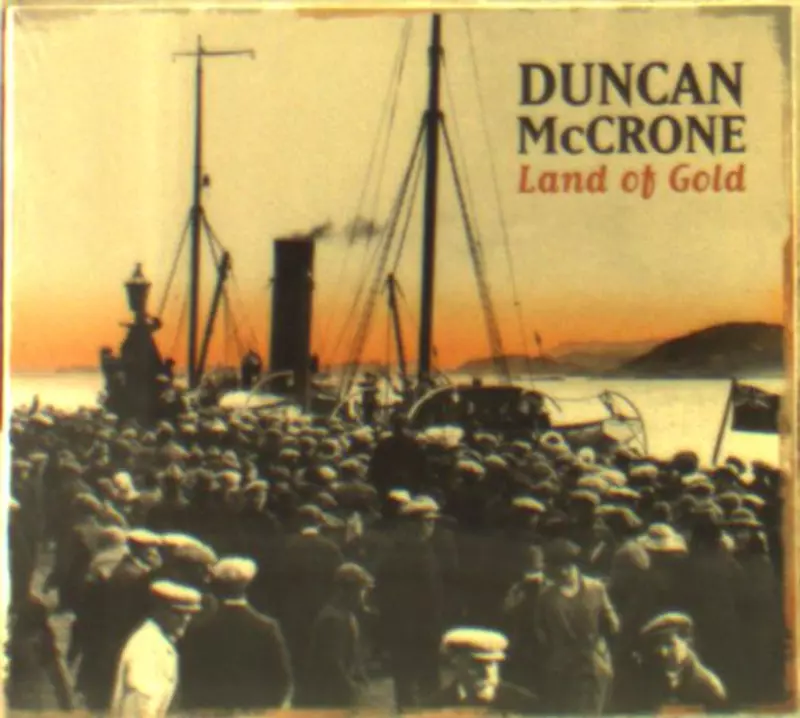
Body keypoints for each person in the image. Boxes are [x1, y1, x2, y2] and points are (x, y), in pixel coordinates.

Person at [179, 557, 293, 711]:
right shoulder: (266, 628)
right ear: (247, 585)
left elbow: (190, 679)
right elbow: (281, 680)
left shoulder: (200, 628)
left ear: (217, 586)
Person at [535, 538, 620, 715]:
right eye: (557, 567)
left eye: (566, 566)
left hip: (591, 665)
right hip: (566, 667)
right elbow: (540, 632)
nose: (562, 572)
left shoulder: (595, 589)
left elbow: (612, 625)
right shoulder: (546, 597)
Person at [110, 580, 203, 718]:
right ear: (159, 610)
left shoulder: (160, 642)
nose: (185, 619)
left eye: (189, 614)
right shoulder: (146, 647)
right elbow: (141, 707)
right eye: (177, 613)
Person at [615, 612, 727, 712]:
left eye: (669, 644)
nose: (663, 652)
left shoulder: (707, 686)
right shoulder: (645, 684)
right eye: (658, 647)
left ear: (687, 642)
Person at [302, 562, 375, 708]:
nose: (363, 597)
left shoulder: (347, 616)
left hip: (340, 694)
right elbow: (334, 666)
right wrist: (353, 691)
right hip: (329, 698)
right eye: (361, 591)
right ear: (347, 590)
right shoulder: (333, 620)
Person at [424, 627, 538, 712]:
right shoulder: (434, 706)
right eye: (477, 664)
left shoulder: (525, 705)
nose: (487, 672)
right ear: (456, 661)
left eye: (492, 664)